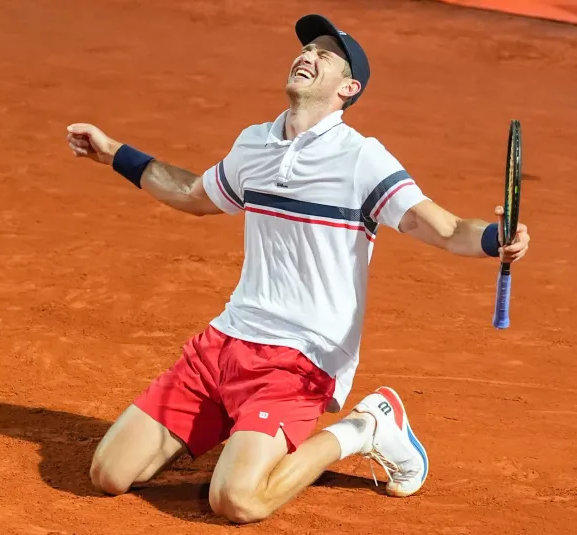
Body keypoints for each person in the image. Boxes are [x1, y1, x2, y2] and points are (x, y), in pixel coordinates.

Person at [65, 13, 530, 524]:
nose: (308, 53)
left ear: (348, 89)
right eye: (307, 47)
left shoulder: (361, 159)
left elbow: (439, 227)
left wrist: (494, 239)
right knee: (108, 473)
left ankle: (365, 428)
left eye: (326, 54)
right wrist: (114, 154)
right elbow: (193, 194)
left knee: (236, 501)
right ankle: (240, 425)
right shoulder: (254, 145)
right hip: (226, 344)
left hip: (300, 358)